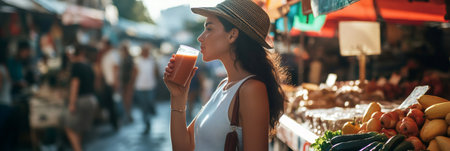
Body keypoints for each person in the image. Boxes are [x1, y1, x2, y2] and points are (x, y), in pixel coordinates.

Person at [163, 0, 287, 150]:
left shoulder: (252, 89)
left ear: (232, 35)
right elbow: (183, 147)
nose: (200, 37)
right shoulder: (224, 85)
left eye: (209, 29)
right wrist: (178, 97)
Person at [62, 45, 98, 151]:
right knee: (80, 128)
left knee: (68, 126)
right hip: (91, 99)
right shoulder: (89, 65)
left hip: (81, 101)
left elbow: (75, 85)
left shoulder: (76, 66)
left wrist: (72, 103)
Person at [134, 43, 159, 134]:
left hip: (150, 86)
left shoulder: (152, 60)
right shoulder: (138, 61)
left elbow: (156, 72)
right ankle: (146, 122)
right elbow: (135, 73)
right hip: (140, 86)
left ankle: (149, 117)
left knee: (149, 103)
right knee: (143, 106)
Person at [99, 39, 120, 130]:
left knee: (113, 104)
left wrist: (115, 83)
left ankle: (115, 123)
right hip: (107, 82)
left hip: (111, 83)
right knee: (110, 104)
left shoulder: (112, 55)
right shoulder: (106, 55)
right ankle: (113, 122)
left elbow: (115, 69)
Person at [118, 42, 137, 122]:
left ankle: (128, 115)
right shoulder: (123, 58)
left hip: (127, 82)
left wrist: (131, 82)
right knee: (125, 99)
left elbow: (133, 70)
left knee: (128, 99)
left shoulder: (129, 58)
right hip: (123, 82)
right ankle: (127, 115)